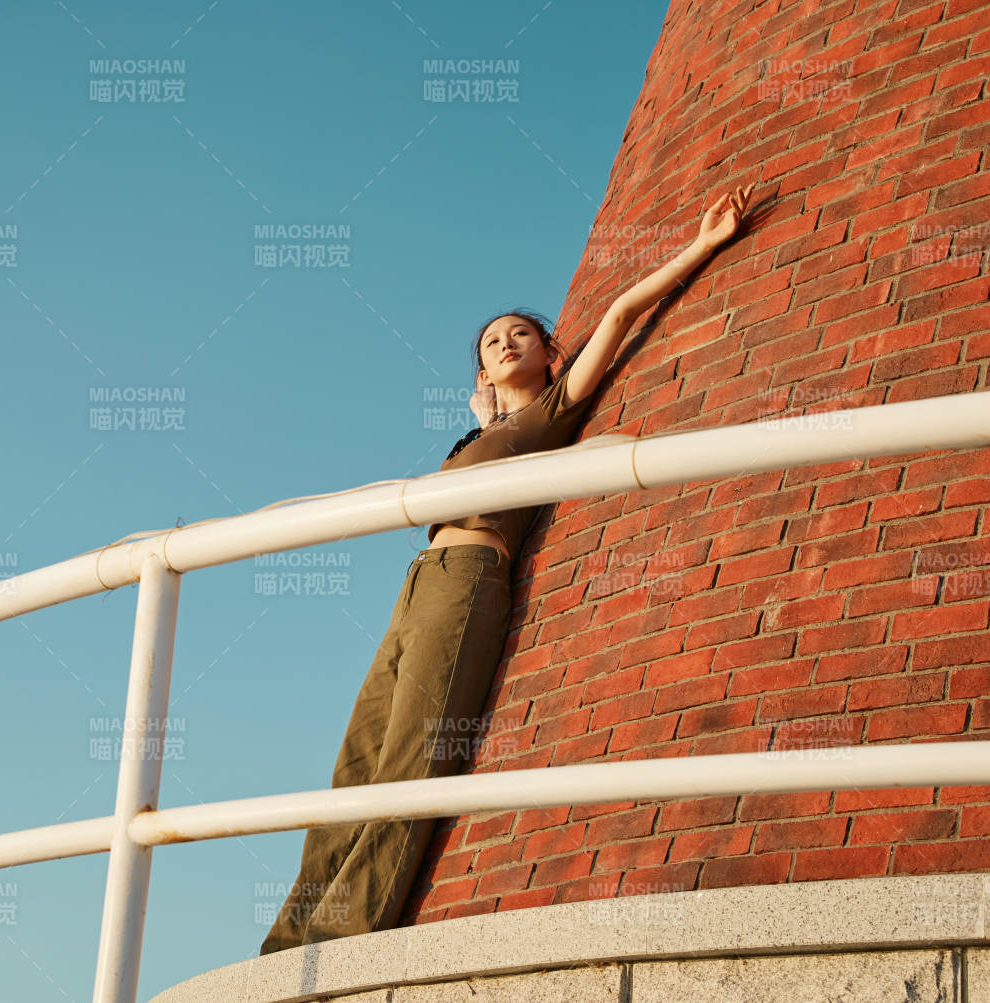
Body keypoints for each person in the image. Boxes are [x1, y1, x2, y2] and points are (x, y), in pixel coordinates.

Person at [258, 182, 758, 955]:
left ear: (551, 352)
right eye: (493, 340)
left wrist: (703, 244)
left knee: (414, 752)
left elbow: (621, 314)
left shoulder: (551, 410)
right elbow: (484, 443)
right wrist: (485, 416)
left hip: (468, 580)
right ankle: (287, 945)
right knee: (354, 764)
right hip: (419, 580)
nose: (505, 341)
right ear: (482, 375)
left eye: (521, 332)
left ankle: (347, 932)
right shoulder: (483, 434)